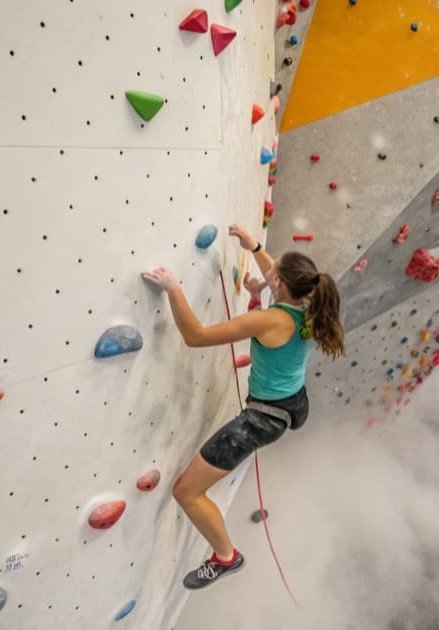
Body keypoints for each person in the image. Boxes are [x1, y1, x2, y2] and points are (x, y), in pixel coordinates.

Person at [141, 225, 345, 589]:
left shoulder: (268, 319)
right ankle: (224, 554)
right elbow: (277, 273)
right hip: (291, 401)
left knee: (187, 492)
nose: (268, 268)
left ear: (278, 283)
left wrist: (173, 288)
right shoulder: (310, 307)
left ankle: (226, 557)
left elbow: (196, 337)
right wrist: (253, 247)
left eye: (273, 270)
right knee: (191, 488)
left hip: (262, 419)